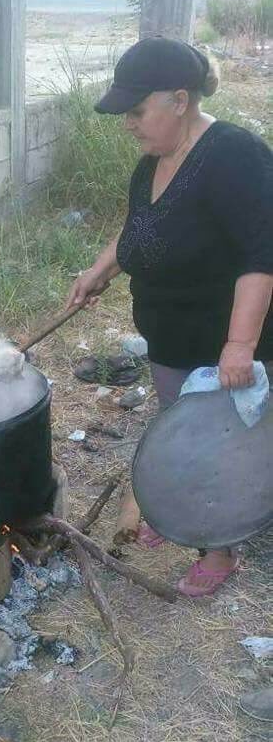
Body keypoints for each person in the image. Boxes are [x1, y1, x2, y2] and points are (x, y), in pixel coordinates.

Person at [65, 36, 273, 598]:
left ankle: (220, 547)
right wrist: (99, 269)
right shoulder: (155, 159)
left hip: (218, 339)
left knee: (221, 443)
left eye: (137, 111)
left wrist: (239, 344)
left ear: (179, 100)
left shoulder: (234, 155)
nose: (129, 123)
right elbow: (141, 227)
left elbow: (263, 253)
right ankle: (177, 510)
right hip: (170, 335)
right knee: (177, 427)